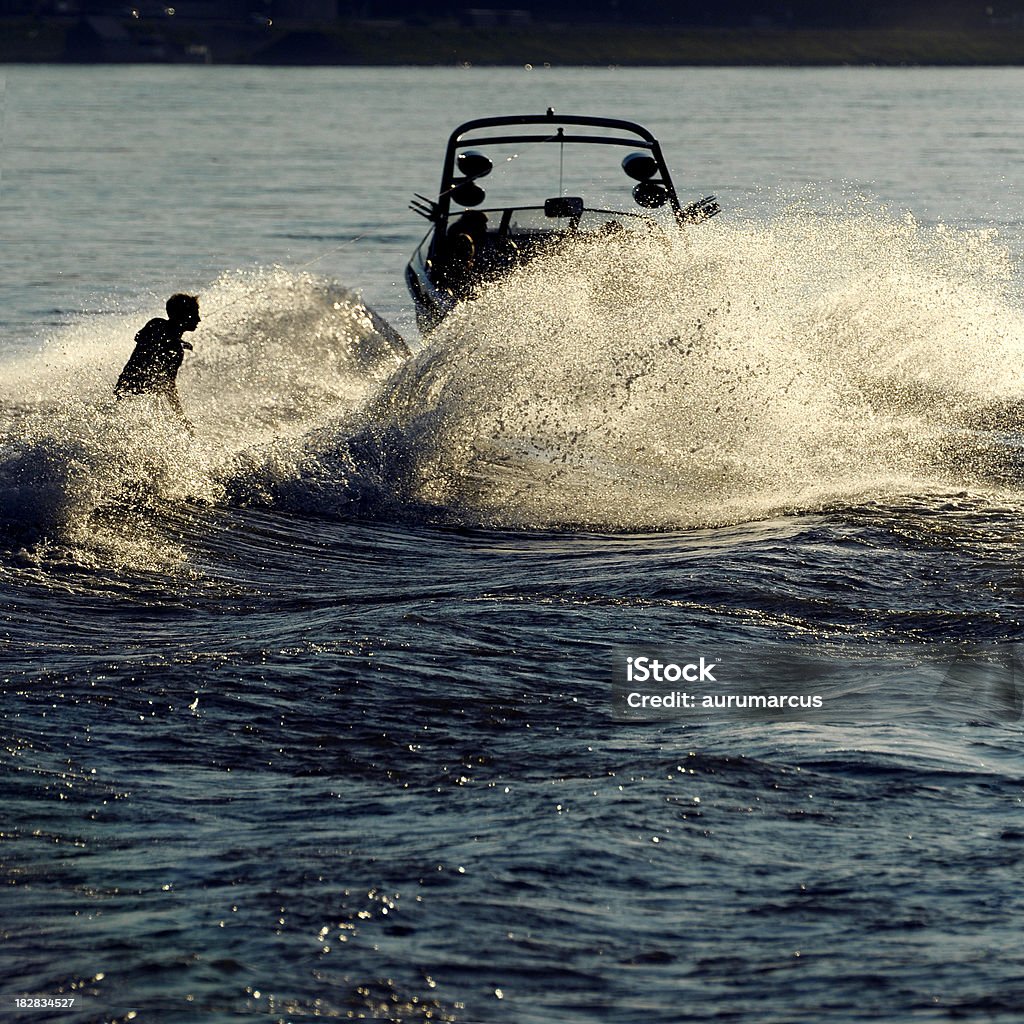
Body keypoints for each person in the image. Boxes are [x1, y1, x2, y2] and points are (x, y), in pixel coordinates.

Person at [115, 293, 200, 429]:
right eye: (194, 314)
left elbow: (139, 337)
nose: (199, 319)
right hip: (135, 396)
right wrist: (181, 417)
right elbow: (169, 385)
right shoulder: (172, 346)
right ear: (182, 316)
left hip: (129, 391)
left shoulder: (157, 327)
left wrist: (177, 341)